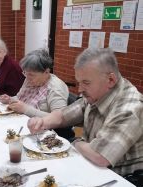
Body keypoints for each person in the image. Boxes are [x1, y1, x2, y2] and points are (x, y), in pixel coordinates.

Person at [28, 48, 143, 176]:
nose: (80, 90)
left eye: (86, 83)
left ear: (111, 80)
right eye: (79, 82)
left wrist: (75, 142)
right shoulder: (97, 93)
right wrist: (42, 122)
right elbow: (63, 116)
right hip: (91, 164)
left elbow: (100, 156)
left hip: (122, 180)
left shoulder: (129, 107)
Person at [0, 49, 74, 141]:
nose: (27, 78)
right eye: (25, 73)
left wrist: (25, 109)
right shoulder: (29, 79)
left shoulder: (55, 88)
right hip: (23, 124)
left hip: (45, 135)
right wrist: (10, 99)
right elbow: (20, 97)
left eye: (31, 75)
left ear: (46, 72)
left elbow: (60, 120)